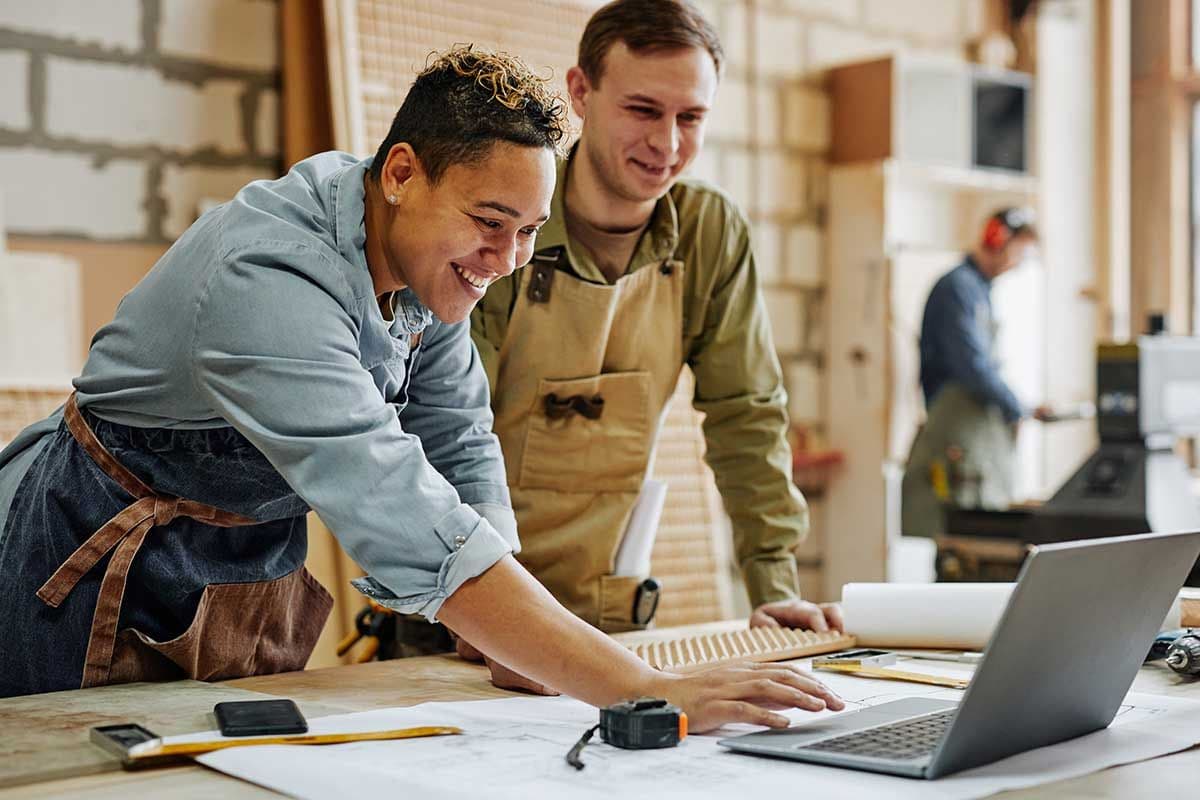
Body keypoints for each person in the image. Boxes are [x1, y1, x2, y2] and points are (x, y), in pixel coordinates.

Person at [0, 45, 843, 729]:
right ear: (402, 171)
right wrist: (639, 686)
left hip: (233, 577)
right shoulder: (269, 280)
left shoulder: (414, 257)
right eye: (488, 224)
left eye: (528, 233)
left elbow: (459, 437)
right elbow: (400, 507)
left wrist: (506, 627)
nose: (507, 262)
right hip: (97, 567)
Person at [469, 0, 839, 655]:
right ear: (580, 92)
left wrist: (773, 584)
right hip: (466, 616)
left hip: (610, 623)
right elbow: (448, 425)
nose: (666, 144)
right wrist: (478, 604)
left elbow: (745, 413)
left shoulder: (708, 233)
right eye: (643, 110)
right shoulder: (505, 217)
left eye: (690, 117)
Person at [900, 207, 1049, 539]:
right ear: (997, 240)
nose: (1018, 264)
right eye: (1019, 253)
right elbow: (972, 365)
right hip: (955, 432)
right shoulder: (958, 288)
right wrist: (1016, 407)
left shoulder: (979, 291)